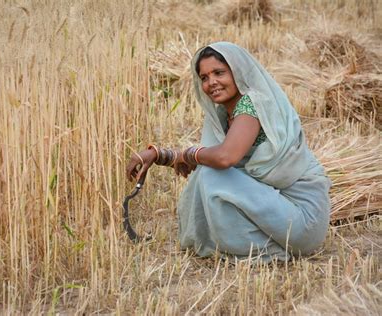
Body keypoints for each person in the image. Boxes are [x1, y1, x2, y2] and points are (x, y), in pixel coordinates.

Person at [126, 42, 331, 262]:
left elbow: (225, 157)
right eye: (204, 77)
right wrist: (159, 155)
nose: (211, 82)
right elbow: (209, 156)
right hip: (282, 219)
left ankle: (265, 250)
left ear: (237, 72)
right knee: (207, 172)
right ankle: (250, 246)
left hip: (302, 221)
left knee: (211, 174)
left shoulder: (252, 104)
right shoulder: (225, 115)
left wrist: (189, 154)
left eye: (219, 72)